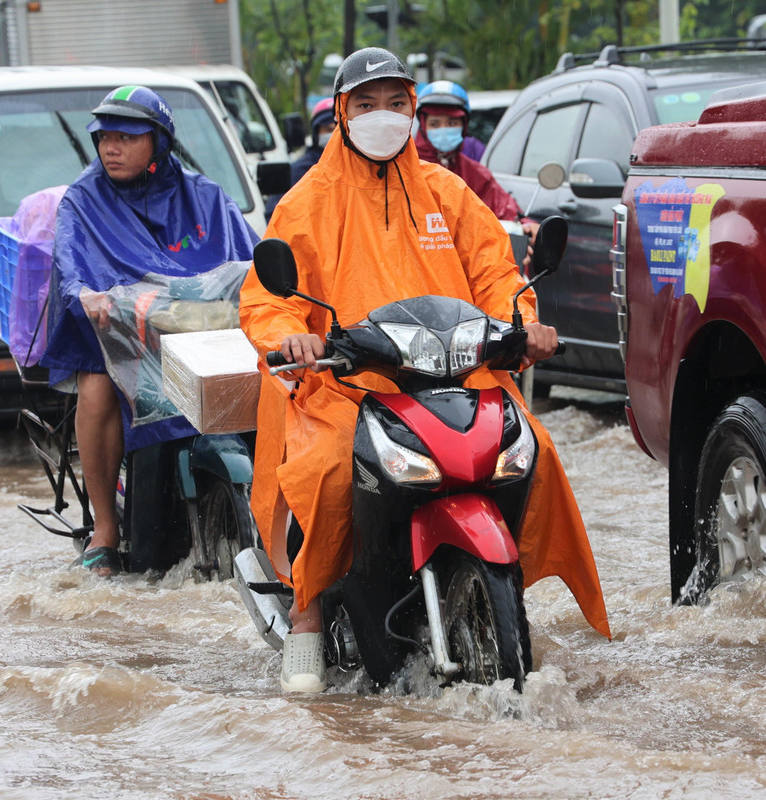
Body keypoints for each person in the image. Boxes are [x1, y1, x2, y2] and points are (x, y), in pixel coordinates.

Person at [239, 48, 611, 693]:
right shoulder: (306, 203)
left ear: (412, 110)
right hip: (346, 383)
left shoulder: (447, 192)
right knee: (330, 469)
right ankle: (307, 610)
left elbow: (497, 273)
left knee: (535, 448)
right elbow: (268, 300)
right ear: (341, 113)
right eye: (365, 104)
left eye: (395, 103)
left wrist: (524, 322)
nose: (382, 116)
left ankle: (506, 585)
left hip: (455, 375)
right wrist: (289, 337)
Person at [41, 85, 258, 577]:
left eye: (125, 137)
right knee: (96, 390)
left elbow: (252, 254)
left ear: (158, 141)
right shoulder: (83, 200)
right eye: (104, 137)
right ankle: (105, 529)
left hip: (202, 332)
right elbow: (70, 266)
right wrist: (86, 296)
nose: (111, 148)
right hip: (119, 337)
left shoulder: (206, 197)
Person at [414, 81, 528, 226]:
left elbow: (504, 209)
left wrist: (526, 225)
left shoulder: (475, 173)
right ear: (423, 126)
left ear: (464, 125)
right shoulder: (405, 166)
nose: (443, 129)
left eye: (452, 123)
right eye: (434, 124)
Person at [263, 97, 336, 219]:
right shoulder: (298, 171)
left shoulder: (361, 168)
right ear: (316, 133)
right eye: (328, 129)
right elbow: (275, 214)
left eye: (338, 129)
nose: (333, 134)